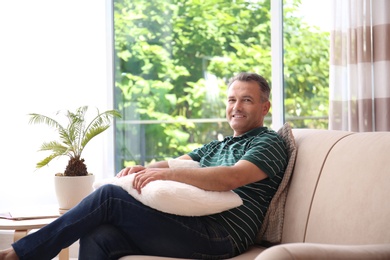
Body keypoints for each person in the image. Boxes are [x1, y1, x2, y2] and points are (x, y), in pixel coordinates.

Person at [0, 72, 287, 260]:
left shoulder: (267, 141)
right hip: (193, 226)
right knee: (98, 236)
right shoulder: (218, 145)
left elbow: (232, 177)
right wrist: (142, 168)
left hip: (221, 236)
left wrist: (163, 173)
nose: (236, 106)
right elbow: (176, 162)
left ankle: (19, 255)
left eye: (247, 100)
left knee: (109, 197)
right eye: (232, 99)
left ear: (264, 107)